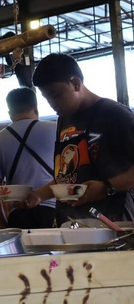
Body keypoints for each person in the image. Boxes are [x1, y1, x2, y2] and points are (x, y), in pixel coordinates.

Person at [26, 53, 134, 223]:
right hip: (70, 224)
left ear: (76, 84)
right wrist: (37, 195)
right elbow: (69, 177)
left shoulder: (115, 115)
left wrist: (107, 187)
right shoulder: (64, 119)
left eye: (56, 95)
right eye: (46, 97)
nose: (51, 104)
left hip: (114, 225)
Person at [0, 87, 57, 229]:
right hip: (53, 211)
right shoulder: (56, 130)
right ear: (35, 108)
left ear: (10, 113)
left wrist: (2, 221)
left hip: (19, 214)